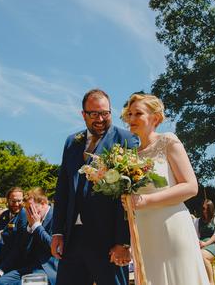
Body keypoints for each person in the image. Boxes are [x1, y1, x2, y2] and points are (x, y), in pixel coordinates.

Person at [51, 89, 138, 285]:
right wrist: (57, 232)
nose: (100, 119)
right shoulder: (72, 142)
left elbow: (129, 193)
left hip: (107, 240)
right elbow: (63, 187)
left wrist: (123, 242)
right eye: (94, 114)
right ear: (83, 114)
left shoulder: (126, 140)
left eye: (105, 113)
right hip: (72, 238)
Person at [120, 93, 209, 284]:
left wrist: (147, 200)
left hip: (171, 226)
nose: (131, 119)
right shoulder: (129, 156)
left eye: (138, 114)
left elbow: (191, 187)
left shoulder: (168, 141)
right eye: (130, 114)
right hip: (144, 231)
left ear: (155, 118)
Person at [0, 187, 58, 285]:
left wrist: (37, 226)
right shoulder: (31, 219)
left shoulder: (57, 216)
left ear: (43, 203)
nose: (28, 213)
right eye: (27, 209)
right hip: (29, 267)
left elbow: (54, 246)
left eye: (31, 208)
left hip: (49, 269)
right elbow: (20, 248)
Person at [193, 199, 215, 285]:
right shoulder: (197, 221)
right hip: (202, 245)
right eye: (204, 208)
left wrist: (205, 244)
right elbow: (195, 236)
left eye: (208, 209)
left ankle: (211, 282)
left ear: (211, 209)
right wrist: (199, 243)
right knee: (189, 255)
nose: (205, 211)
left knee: (202, 255)